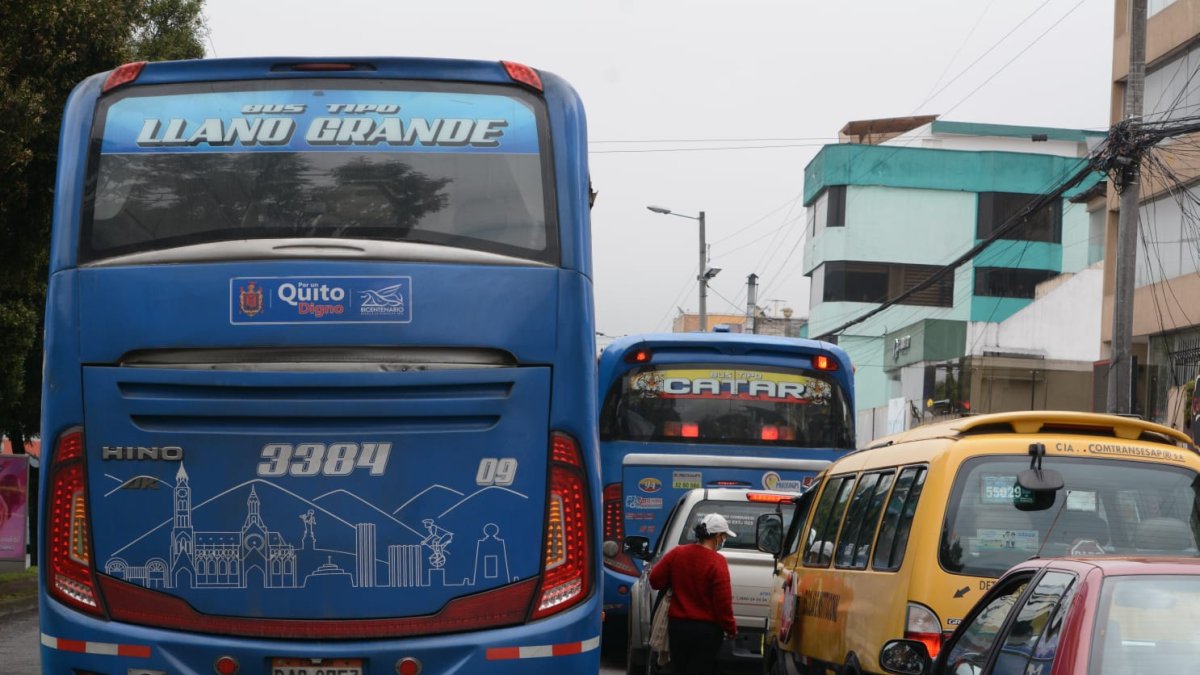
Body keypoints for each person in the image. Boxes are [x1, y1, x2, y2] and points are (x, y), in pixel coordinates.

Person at [648, 512, 738, 675]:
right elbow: (723, 602)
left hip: (677, 626)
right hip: (707, 631)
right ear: (717, 536)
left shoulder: (677, 553)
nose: (723, 540)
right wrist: (730, 628)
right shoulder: (717, 562)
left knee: (679, 669)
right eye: (724, 536)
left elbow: (655, 580)